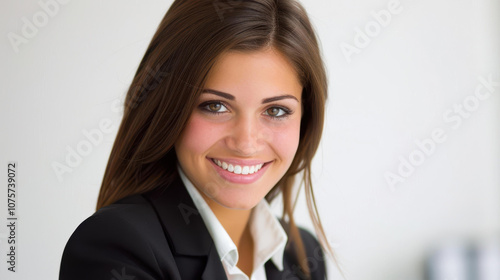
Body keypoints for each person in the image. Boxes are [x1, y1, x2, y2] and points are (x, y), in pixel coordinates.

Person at [59, 0, 341, 279]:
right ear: (168, 107)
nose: (245, 143)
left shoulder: (304, 256)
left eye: (276, 110)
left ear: (306, 119)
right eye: (215, 106)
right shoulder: (115, 248)